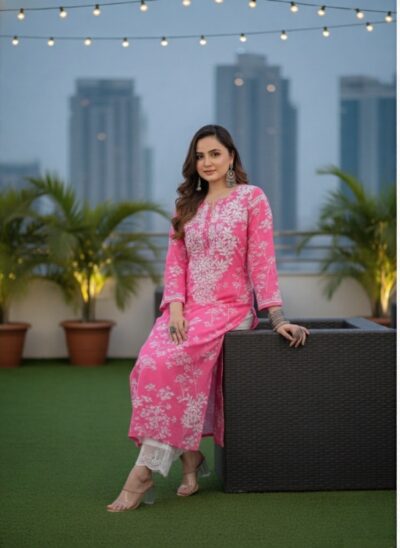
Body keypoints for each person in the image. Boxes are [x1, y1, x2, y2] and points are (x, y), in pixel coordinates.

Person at [107, 124, 310, 512]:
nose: (207, 162)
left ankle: (143, 474)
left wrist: (276, 317)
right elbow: (176, 262)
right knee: (148, 364)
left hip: (230, 309)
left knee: (172, 362)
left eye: (215, 154)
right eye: (200, 156)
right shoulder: (187, 205)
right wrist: (176, 310)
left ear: (231, 156)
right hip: (186, 311)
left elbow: (262, 260)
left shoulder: (251, 198)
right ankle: (190, 458)